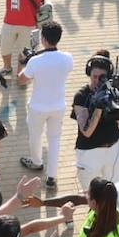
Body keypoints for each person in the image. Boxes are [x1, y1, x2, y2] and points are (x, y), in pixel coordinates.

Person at [19, 21, 75, 189]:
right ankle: (52, 177)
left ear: (43, 39)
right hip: (58, 106)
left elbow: (22, 80)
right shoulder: (67, 58)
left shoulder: (35, 61)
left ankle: (36, 162)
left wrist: (24, 62)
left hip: (38, 107)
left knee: (35, 136)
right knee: (54, 139)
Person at [72, 53, 119, 190]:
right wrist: (98, 107)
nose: (97, 81)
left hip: (113, 149)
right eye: (94, 77)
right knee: (90, 195)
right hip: (89, 153)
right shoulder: (81, 96)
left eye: (102, 77)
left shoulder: (116, 92)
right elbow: (87, 132)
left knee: (114, 191)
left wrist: (114, 108)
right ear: (89, 74)